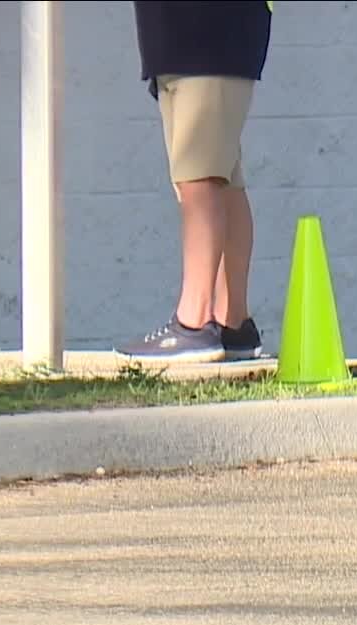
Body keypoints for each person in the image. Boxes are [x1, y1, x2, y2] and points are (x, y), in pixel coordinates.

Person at [115, 1, 273, 363]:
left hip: (210, 34)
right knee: (223, 180)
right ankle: (231, 323)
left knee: (200, 178)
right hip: (181, 40)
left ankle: (195, 321)